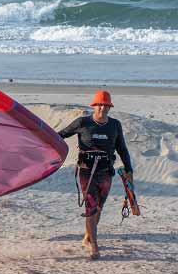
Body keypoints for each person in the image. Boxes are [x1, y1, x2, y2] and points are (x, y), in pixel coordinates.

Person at [57, 90, 133, 260]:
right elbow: (60, 135)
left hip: (106, 172)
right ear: (94, 105)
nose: (102, 108)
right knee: (90, 207)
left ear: (109, 107)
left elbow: (122, 149)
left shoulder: (115, 125)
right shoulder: (83, 122)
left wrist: (129, 170)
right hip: (87, 171)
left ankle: (88, 236)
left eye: (106, 106)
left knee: (99, 207)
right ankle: (95, 247)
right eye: (100, 105)